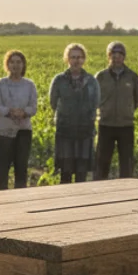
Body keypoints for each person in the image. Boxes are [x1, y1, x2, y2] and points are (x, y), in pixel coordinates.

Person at [49, 43, 99, 184]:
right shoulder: (59, 80)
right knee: (65, 172)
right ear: (67, 59)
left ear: (84, 59)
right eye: (73, 57)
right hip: (65, 130)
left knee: (81, 173)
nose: (76, 60)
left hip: (85, 130)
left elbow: (96, 102)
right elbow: (53, 103)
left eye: (79, 57)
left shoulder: (91, 81)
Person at [0, 50, 37, 190]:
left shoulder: (29, 85)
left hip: (23, 131)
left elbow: (33, 107)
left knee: (21, 167)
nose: (15, 65)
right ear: (7, 65)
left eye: (19, 62)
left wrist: (23, 113)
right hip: (3, 131)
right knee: (2, 168)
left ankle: (20, 200)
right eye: (12, 62)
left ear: (23, 65)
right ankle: (0, 200)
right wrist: (10, 112)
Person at [95, 41, 138, 179]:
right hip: (105, 124)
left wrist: (127, 111)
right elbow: (95, 98)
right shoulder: (101, 76)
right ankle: (99, 189)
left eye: (119, 54)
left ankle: (126, 190)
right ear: (108, 56)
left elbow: (136, 98)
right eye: (113, 54)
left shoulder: (132, 76)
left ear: (124, 57)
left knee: (126, 163)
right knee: (102, 162)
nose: (116, 57)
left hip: (126, 125)